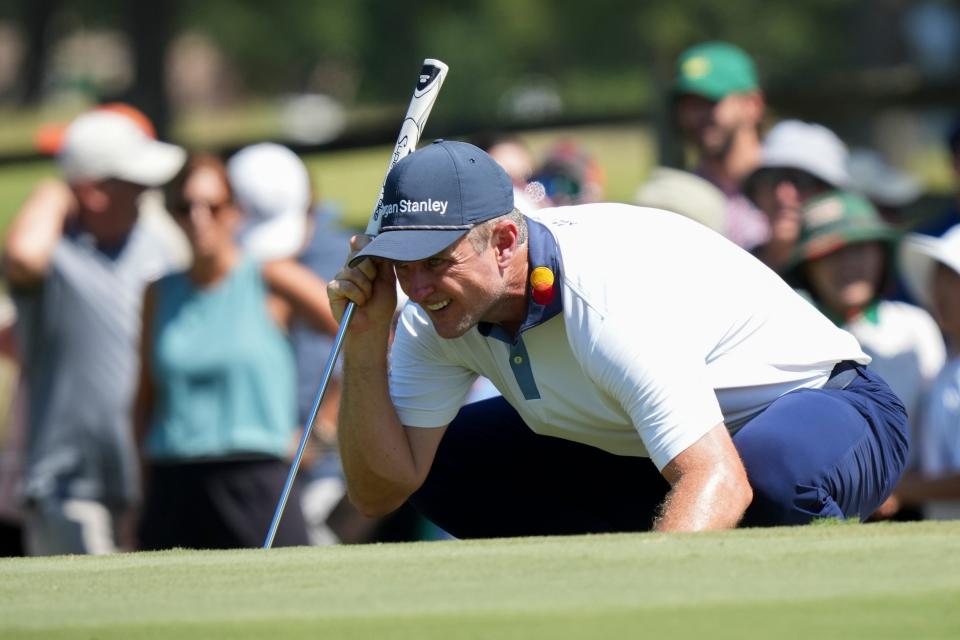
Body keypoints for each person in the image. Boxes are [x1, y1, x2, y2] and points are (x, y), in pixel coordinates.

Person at [328, 140, 908, 537]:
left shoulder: (604, 295)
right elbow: (381, 490)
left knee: (771, 476)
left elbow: (719, 479)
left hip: (835, 409)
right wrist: (363, 341)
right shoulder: (429, 313)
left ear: (505, 241)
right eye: (403, 262)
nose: (418, 285)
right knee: (449, 468)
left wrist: (642, 609)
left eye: (435, 259)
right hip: (651, 447)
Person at [2, 109, 186, 555]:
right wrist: (55, 190)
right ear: (92, 192)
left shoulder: (154, 240)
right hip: (68, 488)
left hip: (150, 478)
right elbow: (23, 256)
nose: (146, 191)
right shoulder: (55, 254)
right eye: (131, 182)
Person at [134, 154, 340, 550]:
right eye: (184, 207)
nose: (198, 218)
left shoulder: (269, 277)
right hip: (172, 482)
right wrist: (140, 493)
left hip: (257, 479)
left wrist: (321, 430)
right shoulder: (158, 293)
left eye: (212, 206)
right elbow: (144, 399)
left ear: (235, 212)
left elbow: (361, 331)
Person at [782, 190, 945, 497]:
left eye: (860, 248)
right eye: (830, 253)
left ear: (882, 255)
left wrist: (903, 491)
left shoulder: (915, 326)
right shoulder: (791, 336)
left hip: (915, 502)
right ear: (807, 267)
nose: (848, 264)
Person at [886, 225, 960, 519]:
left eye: (954, 280)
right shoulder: (946, 367)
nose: (942, 291)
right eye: (939, 278)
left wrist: (900, 489)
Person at [672, 41, 768, 251]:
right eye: (688, 105)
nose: (695, 116)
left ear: (753, 105)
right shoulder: (680, 200)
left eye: (709, 102)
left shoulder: (788, 187)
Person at [743, 120, 850, 273]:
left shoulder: (857, 285)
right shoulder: (733, 269)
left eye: (802, 181)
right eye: (772, 178)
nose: (783, 195)